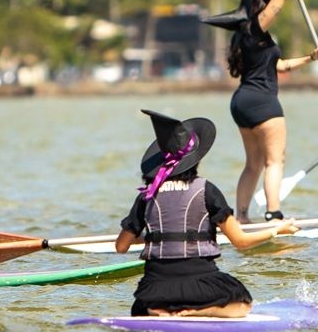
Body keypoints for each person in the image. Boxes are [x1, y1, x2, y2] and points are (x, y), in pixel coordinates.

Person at [114, 110, 299, 318]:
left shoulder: (145, 196)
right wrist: (276, 229)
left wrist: (158, 238)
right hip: (199, 280)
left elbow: (121, 247)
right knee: (243, 306)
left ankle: (160, 311)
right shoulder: (206, 190)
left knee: (141, 308)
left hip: (155, 287)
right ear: (195, 160)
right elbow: (241, 241)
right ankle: (196, 310)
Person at [203, 0, 318, 223]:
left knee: (253, 164)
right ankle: (274, 214)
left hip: (242, 102)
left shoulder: (248, 38)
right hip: (263, 103)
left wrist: (311, 57)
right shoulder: (254, 28)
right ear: (259, 8)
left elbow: (278, 65)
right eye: (266, 6)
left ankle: (241, 218)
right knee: (275, 161)